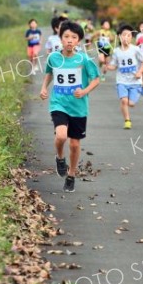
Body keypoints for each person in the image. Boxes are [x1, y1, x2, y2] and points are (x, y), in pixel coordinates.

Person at [39, 21, 100, 192]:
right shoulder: (53, 58)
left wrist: (85, 90)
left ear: (79, 41)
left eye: (74, 37)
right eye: (66, 37)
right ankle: (59, 157)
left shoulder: (84, 59)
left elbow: (96, 79)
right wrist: (44, 88)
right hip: (58, 103)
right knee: (61, 136)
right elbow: (49, 74)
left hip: (79, 107)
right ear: (61, 38)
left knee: (74, 144)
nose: (70, 40)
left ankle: (71, 175)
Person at [107, 24, 143, 129]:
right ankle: (127, 120)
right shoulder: (116, 51)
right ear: (119, 37)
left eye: (129, 35)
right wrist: (107, 66)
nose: (126, 37)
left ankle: (140, 90)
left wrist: (139, 72)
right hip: (122, 81)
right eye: (124, 35)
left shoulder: (135, 49)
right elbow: (114, 65)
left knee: (131, 103)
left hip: (135, 81)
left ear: (131, 38)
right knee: (124, 101)